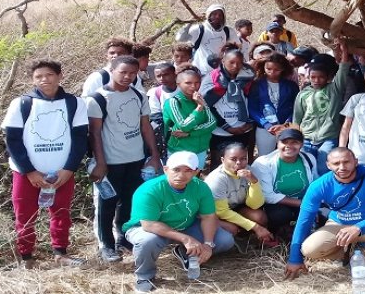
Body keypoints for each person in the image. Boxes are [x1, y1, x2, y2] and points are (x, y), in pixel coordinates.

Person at [2, 60, 89, 268]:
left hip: (62, 171)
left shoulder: (75, 103)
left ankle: (61, 253)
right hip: (26, 173)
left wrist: (69, 169)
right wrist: (30, 171)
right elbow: (12, 140)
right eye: (38, 77)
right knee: (25, 215)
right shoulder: (22, 103)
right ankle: (26, 257)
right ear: (32, 80)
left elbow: (80, 138)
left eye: (49, 75)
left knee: (61, 213)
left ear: (60, 76)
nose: (44, 80)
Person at [284, 148, 365, 282]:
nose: (342, 167)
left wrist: (358, 227)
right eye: (336, 164)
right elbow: (303, 222)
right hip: (339, 224)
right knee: (309, 249)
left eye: (346, 162)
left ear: (356, 162)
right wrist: (294, 258)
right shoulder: (319, 185)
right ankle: (342, 252)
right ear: (328, 165)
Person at [123, 152, 235, 293]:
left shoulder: (201, 187)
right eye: (176, 170)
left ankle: (185, 252)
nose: (181, 175)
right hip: (149, 229)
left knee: (224, 240)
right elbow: (148, 224)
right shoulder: (149, 190)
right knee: (147, 241)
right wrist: (186, 238)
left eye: (188, 170)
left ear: (196, 172)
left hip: (185, 225)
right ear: (165, 170)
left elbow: (208, 217)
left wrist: (207, 244)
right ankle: (145, 276)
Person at [87, 55, 162, 263]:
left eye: (132, 73)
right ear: (111, 70)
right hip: (111, 162)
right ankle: (107, 246)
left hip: (136, 159)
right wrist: (100, 163)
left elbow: (146, 126)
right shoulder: (98, 98)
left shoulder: (138, 95)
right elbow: (94, 133)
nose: (128, 76)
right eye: (123, 72)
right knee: (107, 203)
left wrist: (154, 156)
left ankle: (124, 239)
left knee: (129, 202)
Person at [293, 40, 352, 175]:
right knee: (305, 168)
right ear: (308, 77)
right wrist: (296, 138)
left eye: (321, 77)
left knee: (324, 167)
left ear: (328, 78)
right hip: (306, 138)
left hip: (328, 137)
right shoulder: (303, 94)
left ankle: (324, 194)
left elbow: (343, 68)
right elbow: (297, 119)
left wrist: (343, 50)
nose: (316, 80)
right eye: (313, 77)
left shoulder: (334, 89)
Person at [251, 128, 319, 237]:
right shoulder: (263, 163)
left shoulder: (309, 158)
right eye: (284, 142)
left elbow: (315, 183)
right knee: (280, 215)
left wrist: (314, 203)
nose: (289, 146)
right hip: (277, 204)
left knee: (321, 216)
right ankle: (279, 230)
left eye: (294, 142)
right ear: (277, 143)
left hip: (302, 201)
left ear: (301, 144)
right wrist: (304, 204)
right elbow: (268, 196)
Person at [204, 143, 275, 244]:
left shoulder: (249, 171)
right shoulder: (217, 179)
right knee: (231, 229)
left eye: (243, 158)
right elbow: (222, 212)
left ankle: (254, 239)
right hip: (216, 214)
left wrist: (254, 182)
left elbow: (255, 205)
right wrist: (255, 226)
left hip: (236, 208)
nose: (239, 163)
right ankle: (239, 238)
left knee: (259, 217)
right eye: (233, 159)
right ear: (223, 160)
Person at [202, 44, 256, 167]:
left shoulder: (248, 78)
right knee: (218, 163)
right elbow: (206, 106)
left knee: (239, 163)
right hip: (220, 131)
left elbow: (253, 101)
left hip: (243, 128)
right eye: (231, 62)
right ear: (223, 61)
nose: (235, 66)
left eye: (239, 63)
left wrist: (249, 122)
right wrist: (225, 126)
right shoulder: (212, 79)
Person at [163, 64, 217, 168]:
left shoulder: (200, 99)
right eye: (188, 83)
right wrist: (198, 108)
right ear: (178, 84)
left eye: (197, 83)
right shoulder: (173, 102)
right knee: (179, 180)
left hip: (200, 149)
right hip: (180, 150)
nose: (193, 86)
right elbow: (184, 126)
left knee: (195, 179)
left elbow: (212, 123)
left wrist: (189, 134)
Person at [250, 54, 299, 156]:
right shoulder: (256, 84)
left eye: (277, 70)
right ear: (263, 67)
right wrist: (266, 124)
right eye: (268, 69)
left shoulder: (291, 86)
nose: (272, 72)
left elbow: (296, 108)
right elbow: (252, 108)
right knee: (265, 158)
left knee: (286, 157)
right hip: (264, 129)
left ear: (283, 69)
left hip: (286, 127)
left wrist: (286, 124)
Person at [175, 4, 238, 74]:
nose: (217, 16)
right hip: (201, 72)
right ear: (209, 15)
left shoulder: (227, 30)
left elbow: (237, 47)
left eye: (220, 15)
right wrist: (190, 22)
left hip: (221, 72)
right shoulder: (199, 29)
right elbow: (180, 38)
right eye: (214, 14)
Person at [146, 62, 177, 163]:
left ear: (174, 74)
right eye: (158, 76)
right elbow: (156, 116)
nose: (162, 78)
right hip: (167, 132)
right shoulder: (155, 92)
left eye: (166, 75)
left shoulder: (184, 89)